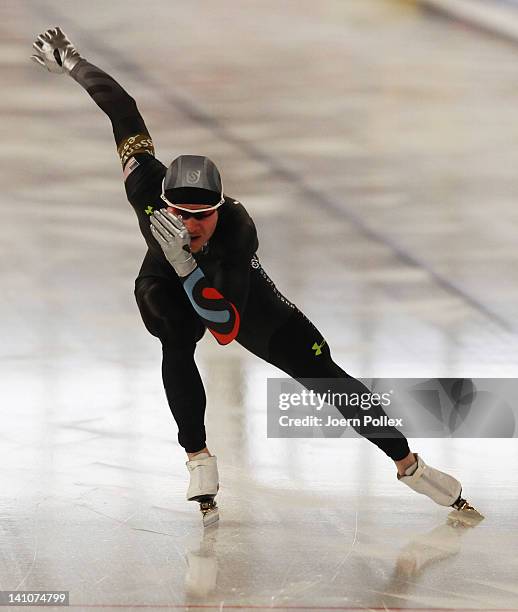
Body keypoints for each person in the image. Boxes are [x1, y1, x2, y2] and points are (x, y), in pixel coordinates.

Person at [31, 27, 481, 526]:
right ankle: (197, 456)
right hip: (164, 282)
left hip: (230, 295)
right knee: (173, 335)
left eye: (203, 215)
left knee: (324, 373)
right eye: (179, 212)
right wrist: (71, 61)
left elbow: (225, 328)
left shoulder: (237, 233)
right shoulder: (144, 182)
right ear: (164, 200)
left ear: (221, 210)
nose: (190, 225)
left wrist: (188, 262)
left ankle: (410, 465)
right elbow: (122, 106)